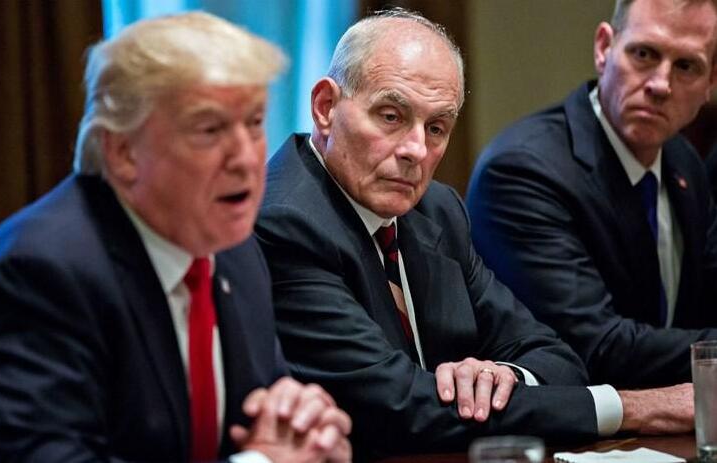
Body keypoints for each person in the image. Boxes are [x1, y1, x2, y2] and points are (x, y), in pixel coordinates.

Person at [256, 8, 693, 461]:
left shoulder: (436, 210)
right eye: (390, 116)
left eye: (436, 128)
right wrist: (631, 408)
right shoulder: (287, 223)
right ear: (325, 107)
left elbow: (554, 357)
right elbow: (399, 405)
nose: (416, 150)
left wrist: (502, 376)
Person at [0, 12, 351, 463]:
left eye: (253, 124)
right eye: (209, 130)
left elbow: (263, 418)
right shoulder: (40, 273)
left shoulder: (235, 249)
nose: (246, 158)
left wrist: (303, 426)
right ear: (124, 153)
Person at [467, 0, 717, 388]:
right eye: (644, 54)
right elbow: (595, 348)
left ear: (710, 83)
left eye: (686, 66)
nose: (660, 85)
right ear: (604, 48)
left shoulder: (683, 162)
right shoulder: (522, 170)